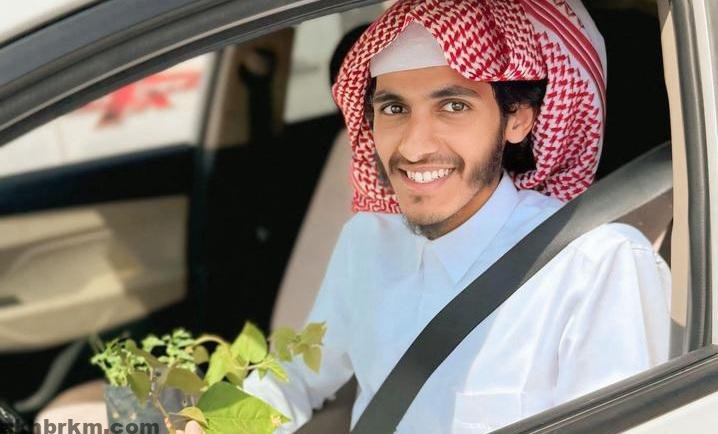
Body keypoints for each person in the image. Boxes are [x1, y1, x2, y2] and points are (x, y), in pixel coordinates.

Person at [183, 0, 671, 432]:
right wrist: (216, 426)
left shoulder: (596, 267)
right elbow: (295, 378)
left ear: (517, 119)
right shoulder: (367, 240)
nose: (414, 147)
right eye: (394, 109)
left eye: (453, 106)